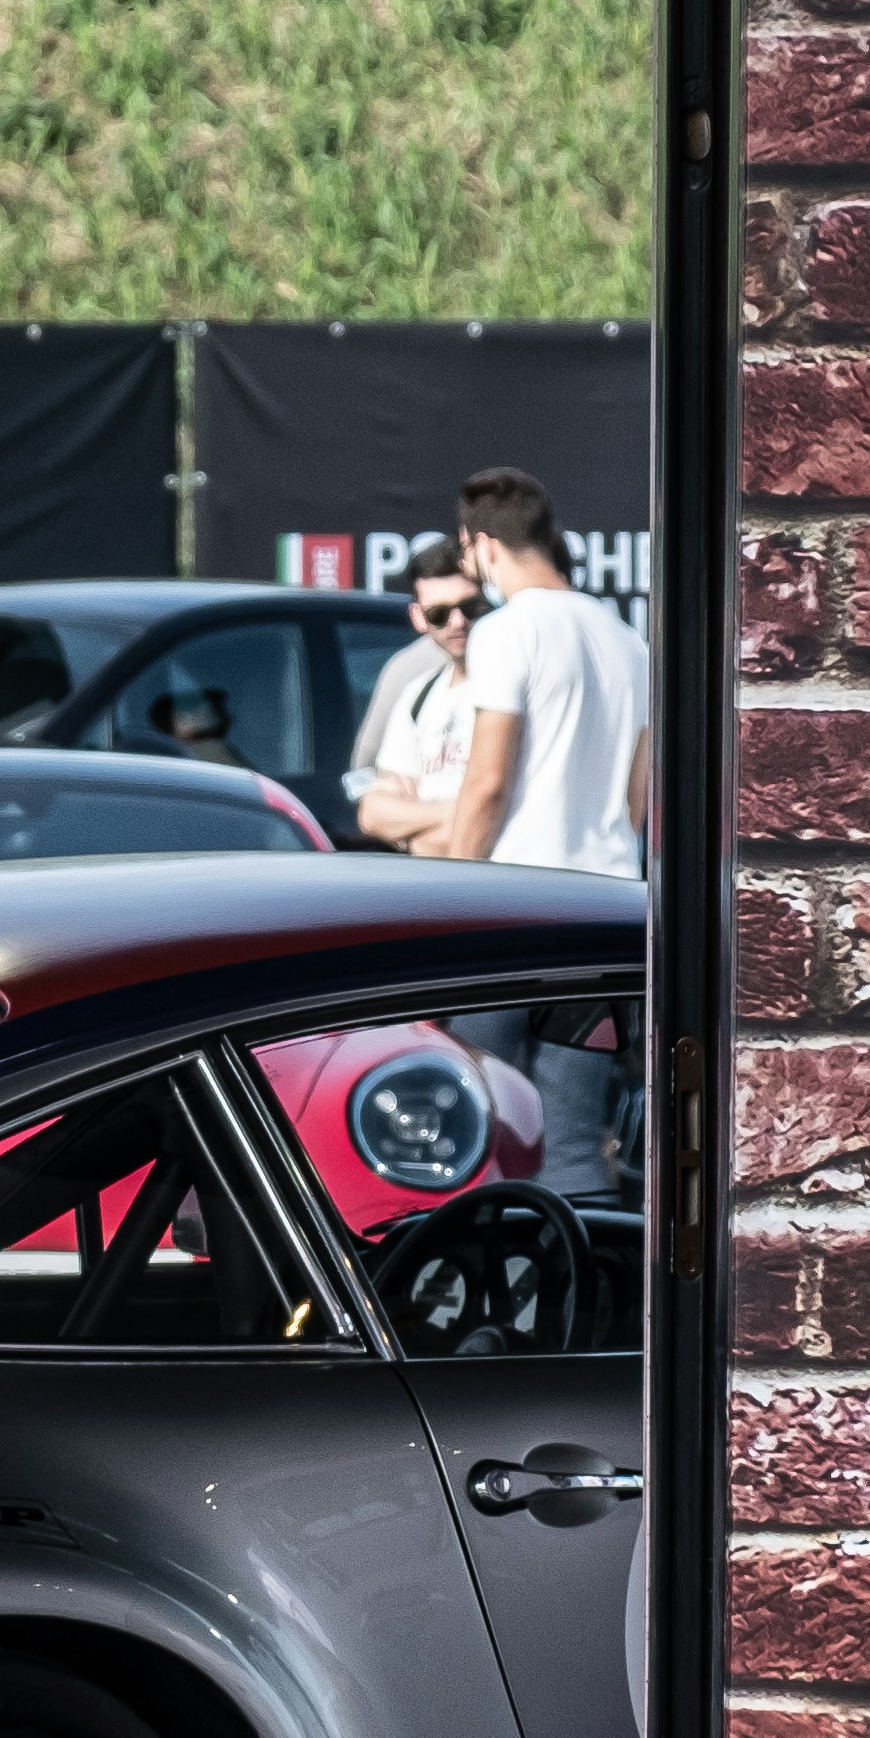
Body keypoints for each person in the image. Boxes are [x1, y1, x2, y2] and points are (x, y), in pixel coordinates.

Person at [424, 465, 648, 1194]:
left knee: (474, 1131)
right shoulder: (625, 640)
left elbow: (486, 782)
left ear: (481, 546)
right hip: (602, 918)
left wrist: (448, 897)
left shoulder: (504, 632)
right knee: (575, 1143)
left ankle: (479, 1298)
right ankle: (587, 1301)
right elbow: (637, 798)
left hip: (511, 916)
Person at [354, 543, 481, 854]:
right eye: (438, 614)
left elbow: (500, 812)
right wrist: (457, 813)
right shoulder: (419, 694)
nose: (457, 622)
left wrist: (418, 831)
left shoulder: (511, 684)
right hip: (437, 893)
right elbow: (372, 813)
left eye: (469, 607)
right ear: (418, 618)